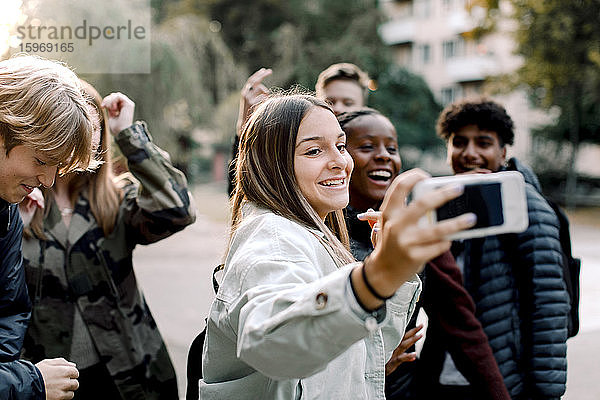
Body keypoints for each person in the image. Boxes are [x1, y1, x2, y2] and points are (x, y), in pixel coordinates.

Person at [198, 93, 476, 399]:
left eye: (341, 146)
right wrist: (374, 278)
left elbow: (362, 358)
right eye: (315, 150)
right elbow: (275, 345)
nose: (341, 162)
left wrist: (392, 276)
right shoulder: (273, 238)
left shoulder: (315, 234)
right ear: (272, 163)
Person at [19, 85, 196, 399]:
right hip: (48, 378)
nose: (81, 136)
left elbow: (178, 210)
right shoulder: (18, 200)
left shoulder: (115, 199)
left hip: (130, 375)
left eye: (91, 126)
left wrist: (128, 135)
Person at [338, 108, 511, 400]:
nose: (384, 155)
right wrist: (375, 363)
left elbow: (463, 327)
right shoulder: (319, 228)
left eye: (392, 148)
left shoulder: (419, 231)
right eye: (367, 146)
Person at [436, 98, 569, 399]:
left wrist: (545, 392)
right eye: (459, 142)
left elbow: (548, 306)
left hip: (505, 382)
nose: (470, 153)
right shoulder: (447, 203)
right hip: (447, 378)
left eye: (483, 143)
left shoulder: (525, 203)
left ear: (503, 152)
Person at [0, 55, 98, 400]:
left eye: (57, 166)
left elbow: (9, 311)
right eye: (42, 160)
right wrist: (29, 383)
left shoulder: (7, 208)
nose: (47, 180)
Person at [227, 63, 370, 194]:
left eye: (348, 103)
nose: (338, 108)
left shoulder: (375, 157)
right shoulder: (293, 142)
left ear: (364, 107)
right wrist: (244, 131)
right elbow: (244, 193)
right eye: (329, 102)